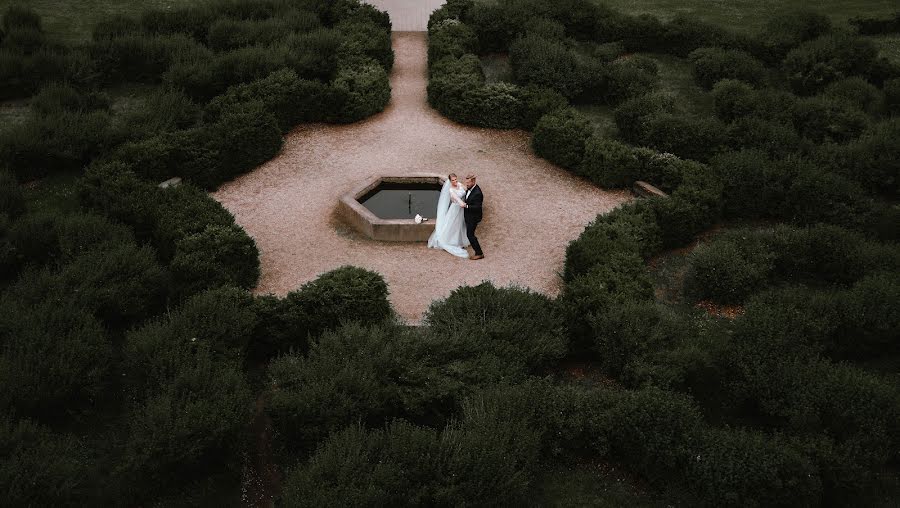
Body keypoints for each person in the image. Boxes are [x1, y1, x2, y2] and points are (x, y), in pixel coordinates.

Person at [427, 173, 469, 258]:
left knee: (461, 224)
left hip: (461, 210)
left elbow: (466, 189)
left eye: (456, 179)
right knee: (454, 224)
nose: (455, 181)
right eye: (453, 180)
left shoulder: (459, 184)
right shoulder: (451, 190)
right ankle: (453, 241)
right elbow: (457, 200)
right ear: (450, 181)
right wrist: (465, 205)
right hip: (456, 209)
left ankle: (461, 239)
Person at [461, 174, 483, 260]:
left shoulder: (478, 193)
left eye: (468, 183)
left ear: (473, 181)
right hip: (469, 216)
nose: (467, 184)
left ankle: (479, 253)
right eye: (466, 182)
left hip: (473, 217)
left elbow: (477, 207)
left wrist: (466, 206)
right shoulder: (470, 188)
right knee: (469, 233)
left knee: (470, 235)